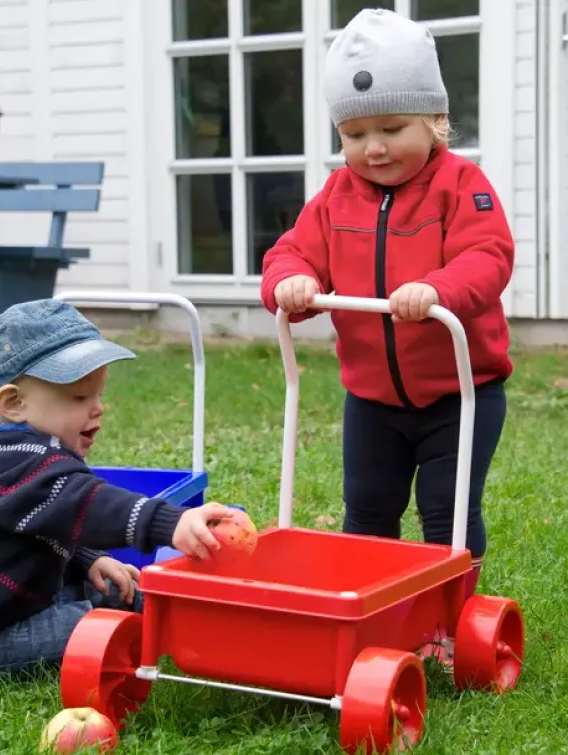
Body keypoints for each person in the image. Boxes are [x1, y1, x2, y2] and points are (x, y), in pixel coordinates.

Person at [260, 8, 514, 654]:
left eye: (392, 128)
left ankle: (446, 623)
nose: (373, 148)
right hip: (371, 399)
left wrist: (438, 289)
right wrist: (290, 282)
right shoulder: (335, 197)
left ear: (435, 120)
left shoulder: (461, 186)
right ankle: (369, 615)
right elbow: (291, 253)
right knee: (368, 508)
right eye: (354, 133)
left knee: (445, 508)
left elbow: (488, 256)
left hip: (460, 394)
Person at [0, 299, 235, 680]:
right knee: (98, 625)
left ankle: (180, 612)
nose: (98, 408)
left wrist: (86, 558)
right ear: (14, 403)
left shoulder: (19, 458)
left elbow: (37, 523)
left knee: (118, 589)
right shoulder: (22, 464)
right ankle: (184, 625)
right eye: (80, 397)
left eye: (98, 394)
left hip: (19, 603)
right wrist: (170, 523)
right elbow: (84, 503)